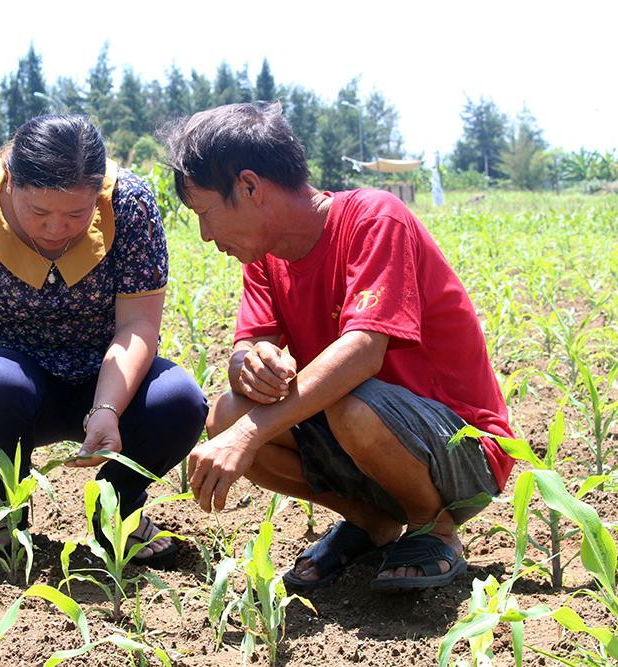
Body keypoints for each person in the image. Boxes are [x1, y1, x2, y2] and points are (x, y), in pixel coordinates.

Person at [162, 103, 515, 591]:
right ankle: (373, 524)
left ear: (249, 186)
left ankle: (435, 527)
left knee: (340, 408)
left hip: (460, 448)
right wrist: (250, 364)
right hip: (363, 439)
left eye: (205, 213)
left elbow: (364, 350)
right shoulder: (266, 259)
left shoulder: (373, 217)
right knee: (227, 413)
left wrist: (248, 435)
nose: (205, 235)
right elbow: (250, 343)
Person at [0, 114, 207, 567]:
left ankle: (119, 509)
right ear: (11, 182)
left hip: (110, 380)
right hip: (15, 385)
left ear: (98, 193)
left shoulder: (131, 206)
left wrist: (107, 407)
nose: (57, 229)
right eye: (38, 212)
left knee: (178, 400)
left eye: (77, 214)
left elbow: (137, 326)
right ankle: (3, 510)